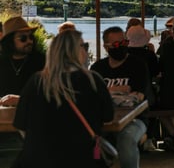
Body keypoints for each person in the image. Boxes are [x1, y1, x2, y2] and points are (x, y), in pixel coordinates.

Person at [13, 29, 114, 167]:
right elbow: (108, 116)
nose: (85, 50)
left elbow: (20, 124)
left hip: (39, 160)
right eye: (83, 46)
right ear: (74, 51)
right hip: (83, 159)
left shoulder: (36, 81)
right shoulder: (92, 81)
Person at [91, 26, 151, 168]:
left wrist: (106, 91)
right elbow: (92, 96)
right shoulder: (97, 68)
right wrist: (122, 90)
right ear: (107, 47)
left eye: (125, 43)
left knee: (126, 139)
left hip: (135, 119)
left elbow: (139, 96)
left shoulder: (138, 65)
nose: (122, 47)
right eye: (117, 45)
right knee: (92, 140)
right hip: (103, 121)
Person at [0, 16, 46, 107]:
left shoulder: (42, 61)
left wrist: (20, 100)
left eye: (31, 37)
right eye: (23, 38)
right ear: (10, 42)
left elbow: (49, 95)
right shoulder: (2, 62)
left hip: (32, 117)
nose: (29, 41)